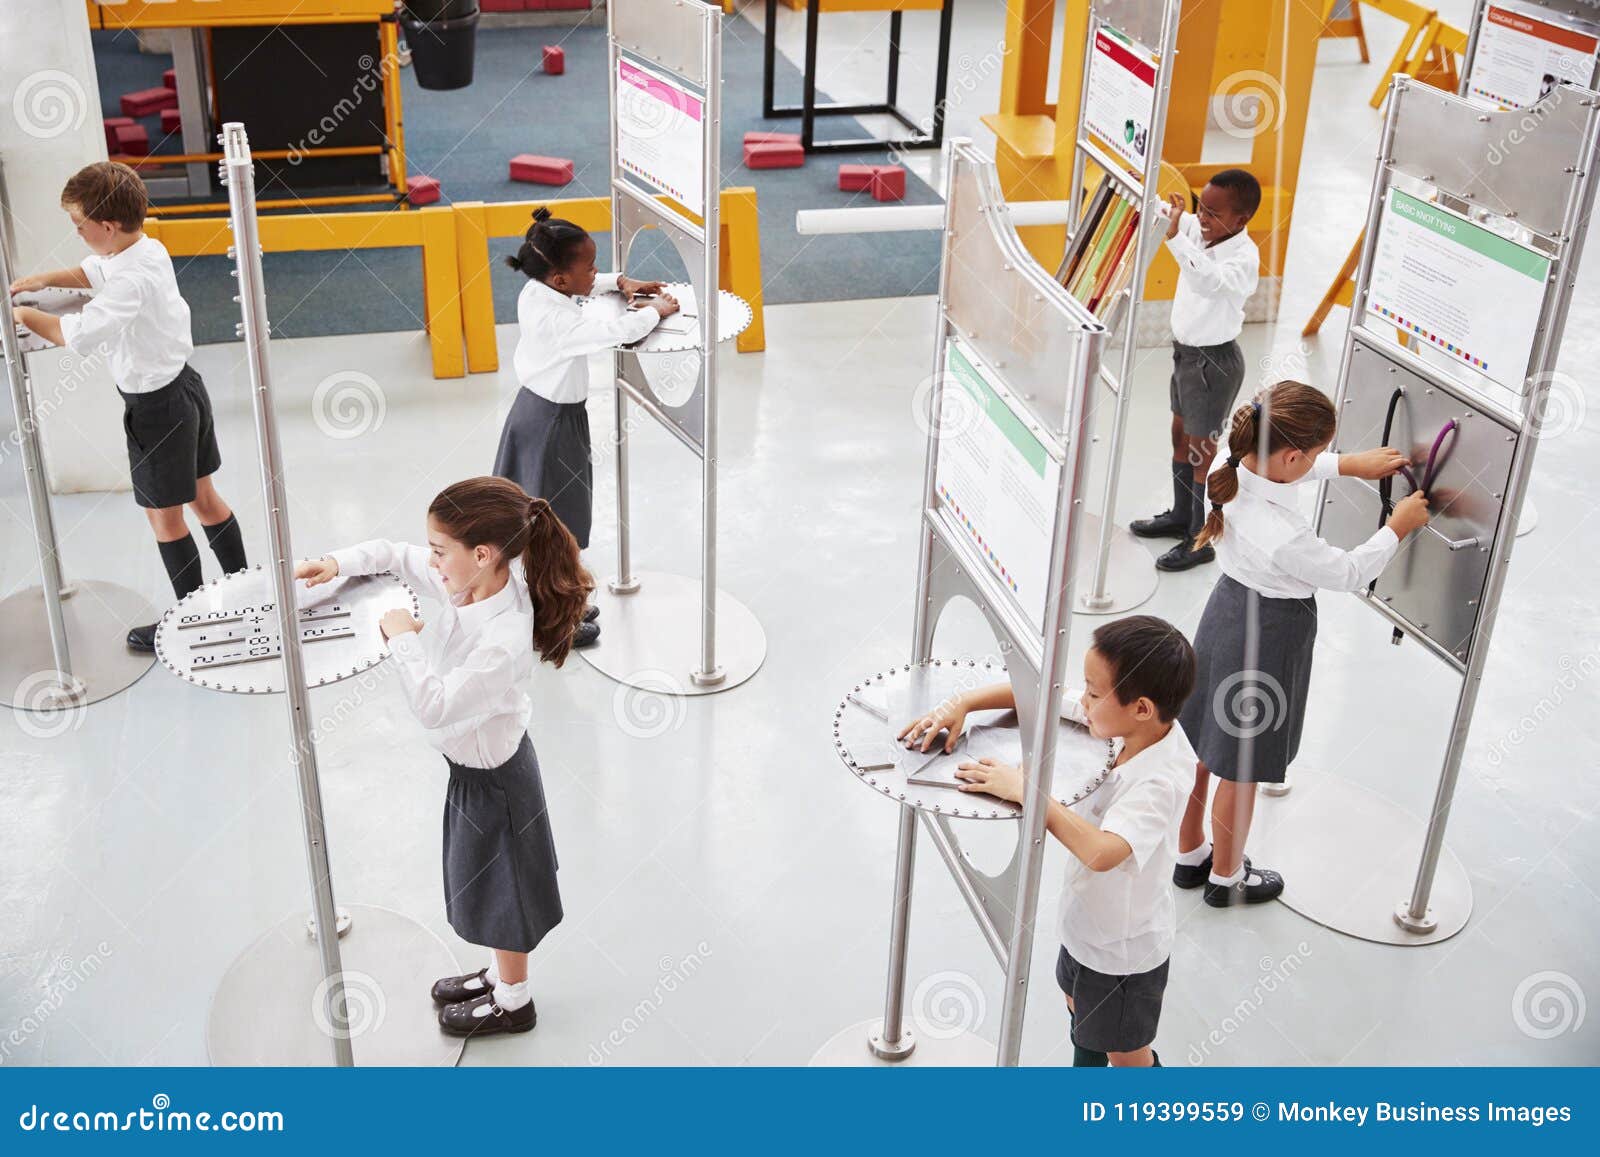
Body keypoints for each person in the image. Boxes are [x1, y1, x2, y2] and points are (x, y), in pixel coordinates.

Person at [295, 476, 592, 1037]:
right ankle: (502, 978)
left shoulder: (502, 638)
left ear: (480, 554)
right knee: (487, 889)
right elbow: (390, 555)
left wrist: (400, 637)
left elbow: (435, 706)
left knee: (506, 896)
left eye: (439, 551)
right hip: (474, 776)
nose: (430, 562)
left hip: (497, 785)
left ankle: (514, 1002)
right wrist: (337, 563)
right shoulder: (469, 583)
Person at [900, 616, 1198, 1068]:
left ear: (1140, 708)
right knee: (1080, 1013)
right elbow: (1041, 698)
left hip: (1122, 952)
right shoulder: (1121, 722)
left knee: (1125, 1053)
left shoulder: (1162, 777)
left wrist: (1027, 792)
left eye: (1095, 692)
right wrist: (961, 703)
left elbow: (1102, 852)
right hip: (1085, 928)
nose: (1086, 698)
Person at [1173, 382, 1428, 907]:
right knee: (1241, 764)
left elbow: (1287, 467)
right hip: (1268, 634)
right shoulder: (1283, 533)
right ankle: (1226, 879)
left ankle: (1190, 854)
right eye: (1313, 453)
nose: (1315, 461)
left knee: (1202, 743)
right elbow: (1347, 571)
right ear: (1291, 454)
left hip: (1223, 614)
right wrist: (1396, 529)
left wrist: (1346, 465)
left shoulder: (1231, 467)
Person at [11, 161, 247, 651]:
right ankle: (248, 593)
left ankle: (193, 623)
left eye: (79, 225)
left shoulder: (127, 284)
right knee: (204, 498)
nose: (75, 232)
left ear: (107, 226)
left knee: (164, 518)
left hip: (156, 410)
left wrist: (20, 313)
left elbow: (74, 334)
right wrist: (37, 280)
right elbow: (90, 270)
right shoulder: (146, 247)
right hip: (186, 390)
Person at [493, 207, 678, 648]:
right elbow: (614, 333)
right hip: (553, 424)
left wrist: (619, 282)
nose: (595, 272)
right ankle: (553, 618)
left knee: (553, 520)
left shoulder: (539, 291)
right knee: (559, 524)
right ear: (559, 277)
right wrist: (655, 310)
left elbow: (585, 284)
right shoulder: (560, 322)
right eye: (589, 266)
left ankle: (560, 597)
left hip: (538, 412)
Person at [1130, 168, 1262, 572]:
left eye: (1213, 213)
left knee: (1202, 453)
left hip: (1213, 363)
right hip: (1185, 356)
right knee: (1179, 436)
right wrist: (1141, 176)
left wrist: (1174, 240)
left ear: (1240, 220)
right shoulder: (1197, 229)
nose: (1201, 218)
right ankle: (1180, 515)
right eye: (1200, 208)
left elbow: (1209, 283)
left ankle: (1200, 538)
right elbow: (1162, 212)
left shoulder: (1243, 258)